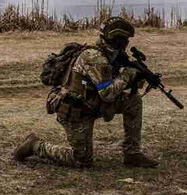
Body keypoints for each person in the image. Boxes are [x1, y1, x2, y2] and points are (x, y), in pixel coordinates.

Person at [12, 17, 158, 168]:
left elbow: (112, 85)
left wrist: (137, 78)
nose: (126, 43)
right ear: (116, 39)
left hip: (92, 103)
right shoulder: (94, 57)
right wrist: (128, 74)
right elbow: (107, 93)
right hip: (75, 109)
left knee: (133, 101)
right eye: (124, 39)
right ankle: (35, 146)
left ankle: (133, 154)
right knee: (81, 160)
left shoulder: (111, 55)